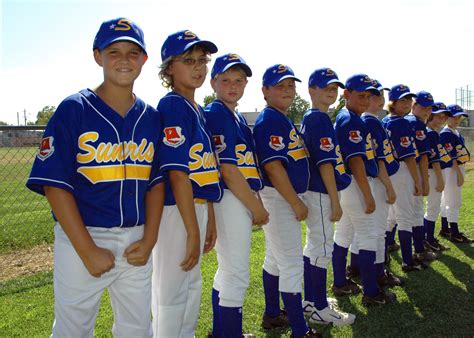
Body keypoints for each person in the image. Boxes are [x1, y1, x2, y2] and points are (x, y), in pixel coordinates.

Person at [26, 17, 164, 337]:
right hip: (82, 236)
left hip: (137, 237)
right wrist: (87, 249)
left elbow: (156, 186)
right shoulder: (74, 109)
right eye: (114, 51)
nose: (124, 60)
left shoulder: (152, 117)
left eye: (133, 52)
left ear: (144, 59)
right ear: (97, 56)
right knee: (73, 329)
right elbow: (54, 185)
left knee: (138, 328)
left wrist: (150, 239)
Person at [152, 30, 222, 338]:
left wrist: (209, 219)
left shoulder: (196, 108)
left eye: (202, 60)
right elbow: (178, 174)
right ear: (169, 68)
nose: (198, 67)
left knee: (192, 284)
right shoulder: (174, 106)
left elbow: (203, 173)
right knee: (172, 289)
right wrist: (193, 229)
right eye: (188, 60)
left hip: (195, 207)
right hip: (175, 211)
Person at [204, 53, 268, 337]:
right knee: (236, 273)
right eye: (226, 79)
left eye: (239, 80)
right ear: (213, 82)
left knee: (228, 270)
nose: (233, 85)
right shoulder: (217, 112)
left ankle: (223, 332)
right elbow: (228, 170)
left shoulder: (234, 114)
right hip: (230, 197)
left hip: (236, 196)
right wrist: (256, 207)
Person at [253, 64, 319, 337]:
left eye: (290, 85)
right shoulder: (270, 119)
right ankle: (300, 331)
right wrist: (295, 202)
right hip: (280, 198)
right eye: (279, 86)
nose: (287, 91)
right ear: (265, 91)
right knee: (291, 263)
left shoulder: (280, 118)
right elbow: (274, 167)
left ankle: (272, 314)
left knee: (275, 259)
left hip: (282, 198)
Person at [332, 74, 396, 306]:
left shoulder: (350, 116)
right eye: (361, 95)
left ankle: (340, 282)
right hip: (357, 184)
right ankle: (371, 292)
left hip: (350, 186)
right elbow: (356, 161)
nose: (366, 99)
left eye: (369, 95)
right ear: (346, 94)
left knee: (345, 233)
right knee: (368, 236)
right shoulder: (350, 119)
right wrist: (368, 194)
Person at [299, 67, 355, 325]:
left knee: (314, 246)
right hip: (321, 191)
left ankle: (311, 300)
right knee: (321, 247)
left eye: (334, 88)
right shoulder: (319, 119)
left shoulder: (314, 116)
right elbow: (325, 163)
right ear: (311, 90)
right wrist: (334, 199)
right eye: (326, 88)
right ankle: (319, 307)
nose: (331, 92)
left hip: (314, 190)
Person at [359, 79, 404, 288]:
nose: (378, 100)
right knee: (375, 231)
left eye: (378, 95)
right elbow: (378, 159)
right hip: (375, 181)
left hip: (373, 181)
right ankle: (377, 275)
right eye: (371, 96)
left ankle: (375, 271)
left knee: (373, 231)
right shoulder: (369, 121)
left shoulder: (372, 120)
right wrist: (389, 186)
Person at [382, 84, 426, 272]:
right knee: (404, 216)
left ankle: (382, 252)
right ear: (393, 102)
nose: (407, 103)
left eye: (409, 99)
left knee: (392, 215)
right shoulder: (400, 123)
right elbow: (409, 156)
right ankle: (408, 261)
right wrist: (418, 180)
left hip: (389, 170)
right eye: (403, 100)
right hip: (401, 169)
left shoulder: (385, 120)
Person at [405, 91, 439, 263]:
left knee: (394, 215)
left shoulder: (404, 120)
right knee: (416, 211)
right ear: (414, 105)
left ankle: (389, 246)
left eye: (429, 107)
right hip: (413, 170)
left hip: (399, 170)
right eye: (422, 106)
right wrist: (425, 181)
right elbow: (423, 156)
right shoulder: (417, 124)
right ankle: (418, 250)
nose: (426, 110)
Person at [439, 104, 472, 243]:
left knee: (446, 200)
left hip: (454, 168)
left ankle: (445, 228)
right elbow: (451, 157)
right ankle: (454, 232)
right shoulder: (446, 133)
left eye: (459, 116)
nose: (457, 119)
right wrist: (459, 173)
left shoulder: (455, 132)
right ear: (447, 117)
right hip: (451, 169)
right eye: (454, 116)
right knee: (454, 201)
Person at [423, 102, 452, 251]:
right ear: (430, 115)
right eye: (438, 116)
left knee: (432, 207)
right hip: (433, 173)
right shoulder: (430, 133)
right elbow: (433, 160)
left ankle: (427, 238)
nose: (441, 120)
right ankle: (428, 239)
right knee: (433, 207)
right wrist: (440, 178)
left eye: (444, 117)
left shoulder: (432, 131)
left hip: (433, 172)